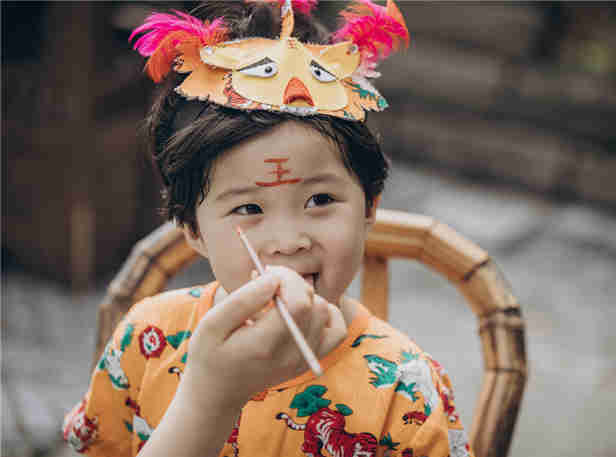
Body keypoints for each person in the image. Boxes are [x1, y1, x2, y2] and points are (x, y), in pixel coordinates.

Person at [63, 1, 474, 456]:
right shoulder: (147, 340)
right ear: (192, 229)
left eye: (320, 200)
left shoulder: (405, 389)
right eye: (249, 207)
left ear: (369, 206)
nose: (288, 242)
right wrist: (207, 400)